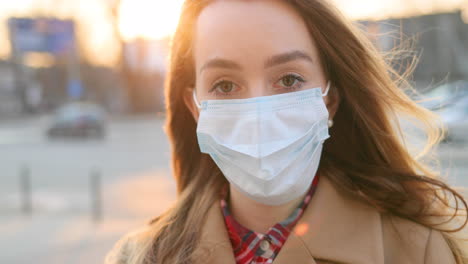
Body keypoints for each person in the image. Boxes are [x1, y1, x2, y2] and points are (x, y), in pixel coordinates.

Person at [105, 0, 468, 263]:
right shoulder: (140, 257)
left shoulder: (417, 250)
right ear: (194, 107)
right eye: (226, 86)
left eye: (289, 79)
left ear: (330, 100)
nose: (260, 113)